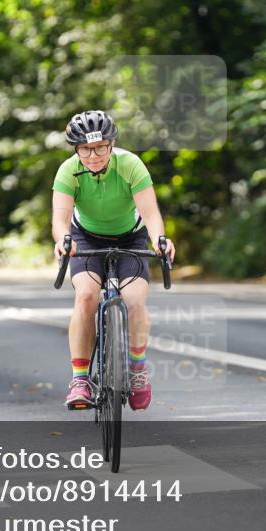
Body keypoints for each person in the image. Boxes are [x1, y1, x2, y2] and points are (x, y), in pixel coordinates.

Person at [51, 110, 175, 411]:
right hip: (85, 238)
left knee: (134, 302)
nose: (93, 155)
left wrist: (160, 239)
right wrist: (62, 242)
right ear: (76, 149)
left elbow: (150, 213)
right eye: (85, 149)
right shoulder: (68, 171)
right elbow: (60, 218)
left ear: (112, 143)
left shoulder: (130, 164)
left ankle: (136, 370)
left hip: (130, 238)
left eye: (100, 147)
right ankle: (80, 378)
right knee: (85, 297)